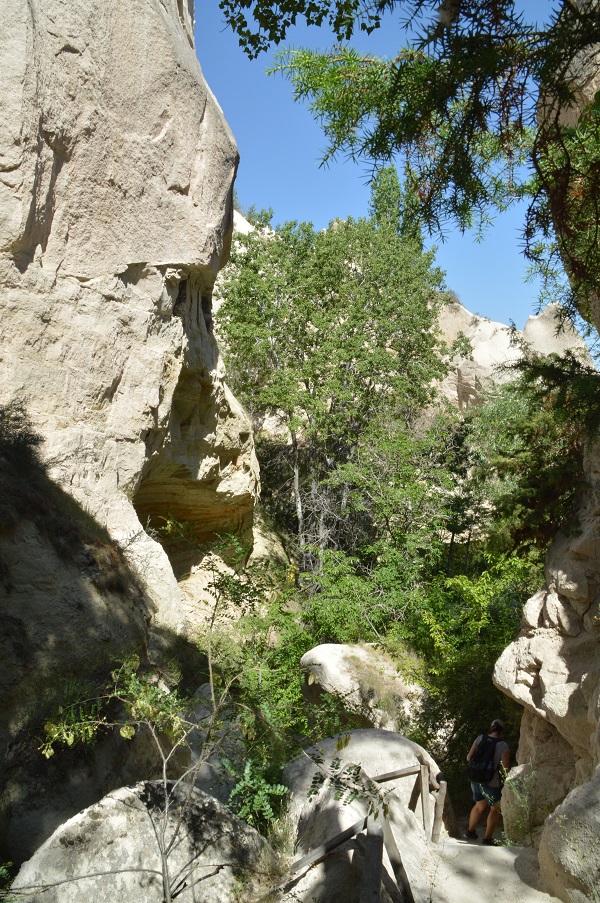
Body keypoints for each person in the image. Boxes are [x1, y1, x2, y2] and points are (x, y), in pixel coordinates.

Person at [464, 718, 510, 845]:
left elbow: (469, 757)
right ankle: (487, 839)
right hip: (492, 783)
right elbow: (505, 768)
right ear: (502, 731)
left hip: (476, 780)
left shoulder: (480, 738)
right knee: (494, 809)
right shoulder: (503, 745)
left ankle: (469, 832)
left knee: (479, 805)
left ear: (491, 728)